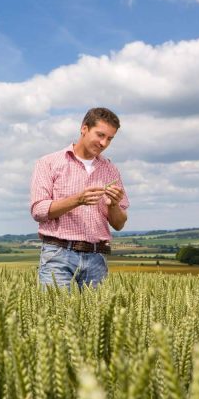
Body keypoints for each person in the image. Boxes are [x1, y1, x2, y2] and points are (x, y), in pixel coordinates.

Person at [30, 107, 129, 289]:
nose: (103, 143)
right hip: (58, 255)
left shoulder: (110, 169)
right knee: (55, 314)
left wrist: (114, 205)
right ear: (84, 128)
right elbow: (38, 211)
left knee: (97, 318)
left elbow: (119, 224)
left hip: (97, 257)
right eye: (100, 135)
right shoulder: (49, 163)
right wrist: (78, 200)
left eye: (109, 139)